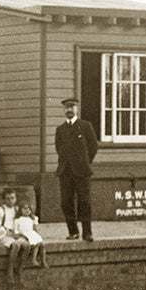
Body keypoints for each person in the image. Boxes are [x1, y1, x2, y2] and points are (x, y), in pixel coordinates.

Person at [55, 96, 98, 241]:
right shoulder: (60, 129)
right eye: (67, 108)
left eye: (72, 107)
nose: (69, 110)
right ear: (63, 110)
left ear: (76, 109)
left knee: (84, 202)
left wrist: (85, 162)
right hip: (65, 171)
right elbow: (59, 148)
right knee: (66, 202)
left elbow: (93, 147)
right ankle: (73, 231)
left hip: (82, 171)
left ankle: (87, 233)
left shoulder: (85, 126)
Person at [0, 187, 30, 285]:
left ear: (16, 199)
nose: (10, 201)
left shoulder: (17, 209)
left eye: (12, 198)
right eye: (7, 198)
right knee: (16, 245)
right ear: (4, 200)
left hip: (16, 235)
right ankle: (10, 270)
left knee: (26, 245)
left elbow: (23, 221)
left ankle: (20, 269)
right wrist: (7, 232)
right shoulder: (0, 210)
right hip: (5, 236)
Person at [16, 201, 46, 268]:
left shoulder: (31, 219)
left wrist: (37, 235)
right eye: (25, 208)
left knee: (42, 244)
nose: (27, 210)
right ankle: (33, 260)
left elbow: (34, 228)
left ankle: (43, 261)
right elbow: (16, 231)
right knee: (36, 244)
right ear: (20, 210)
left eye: (29, 209)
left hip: (31, 234)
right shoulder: (18, 220)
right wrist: (20, 235)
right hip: (24, 234)